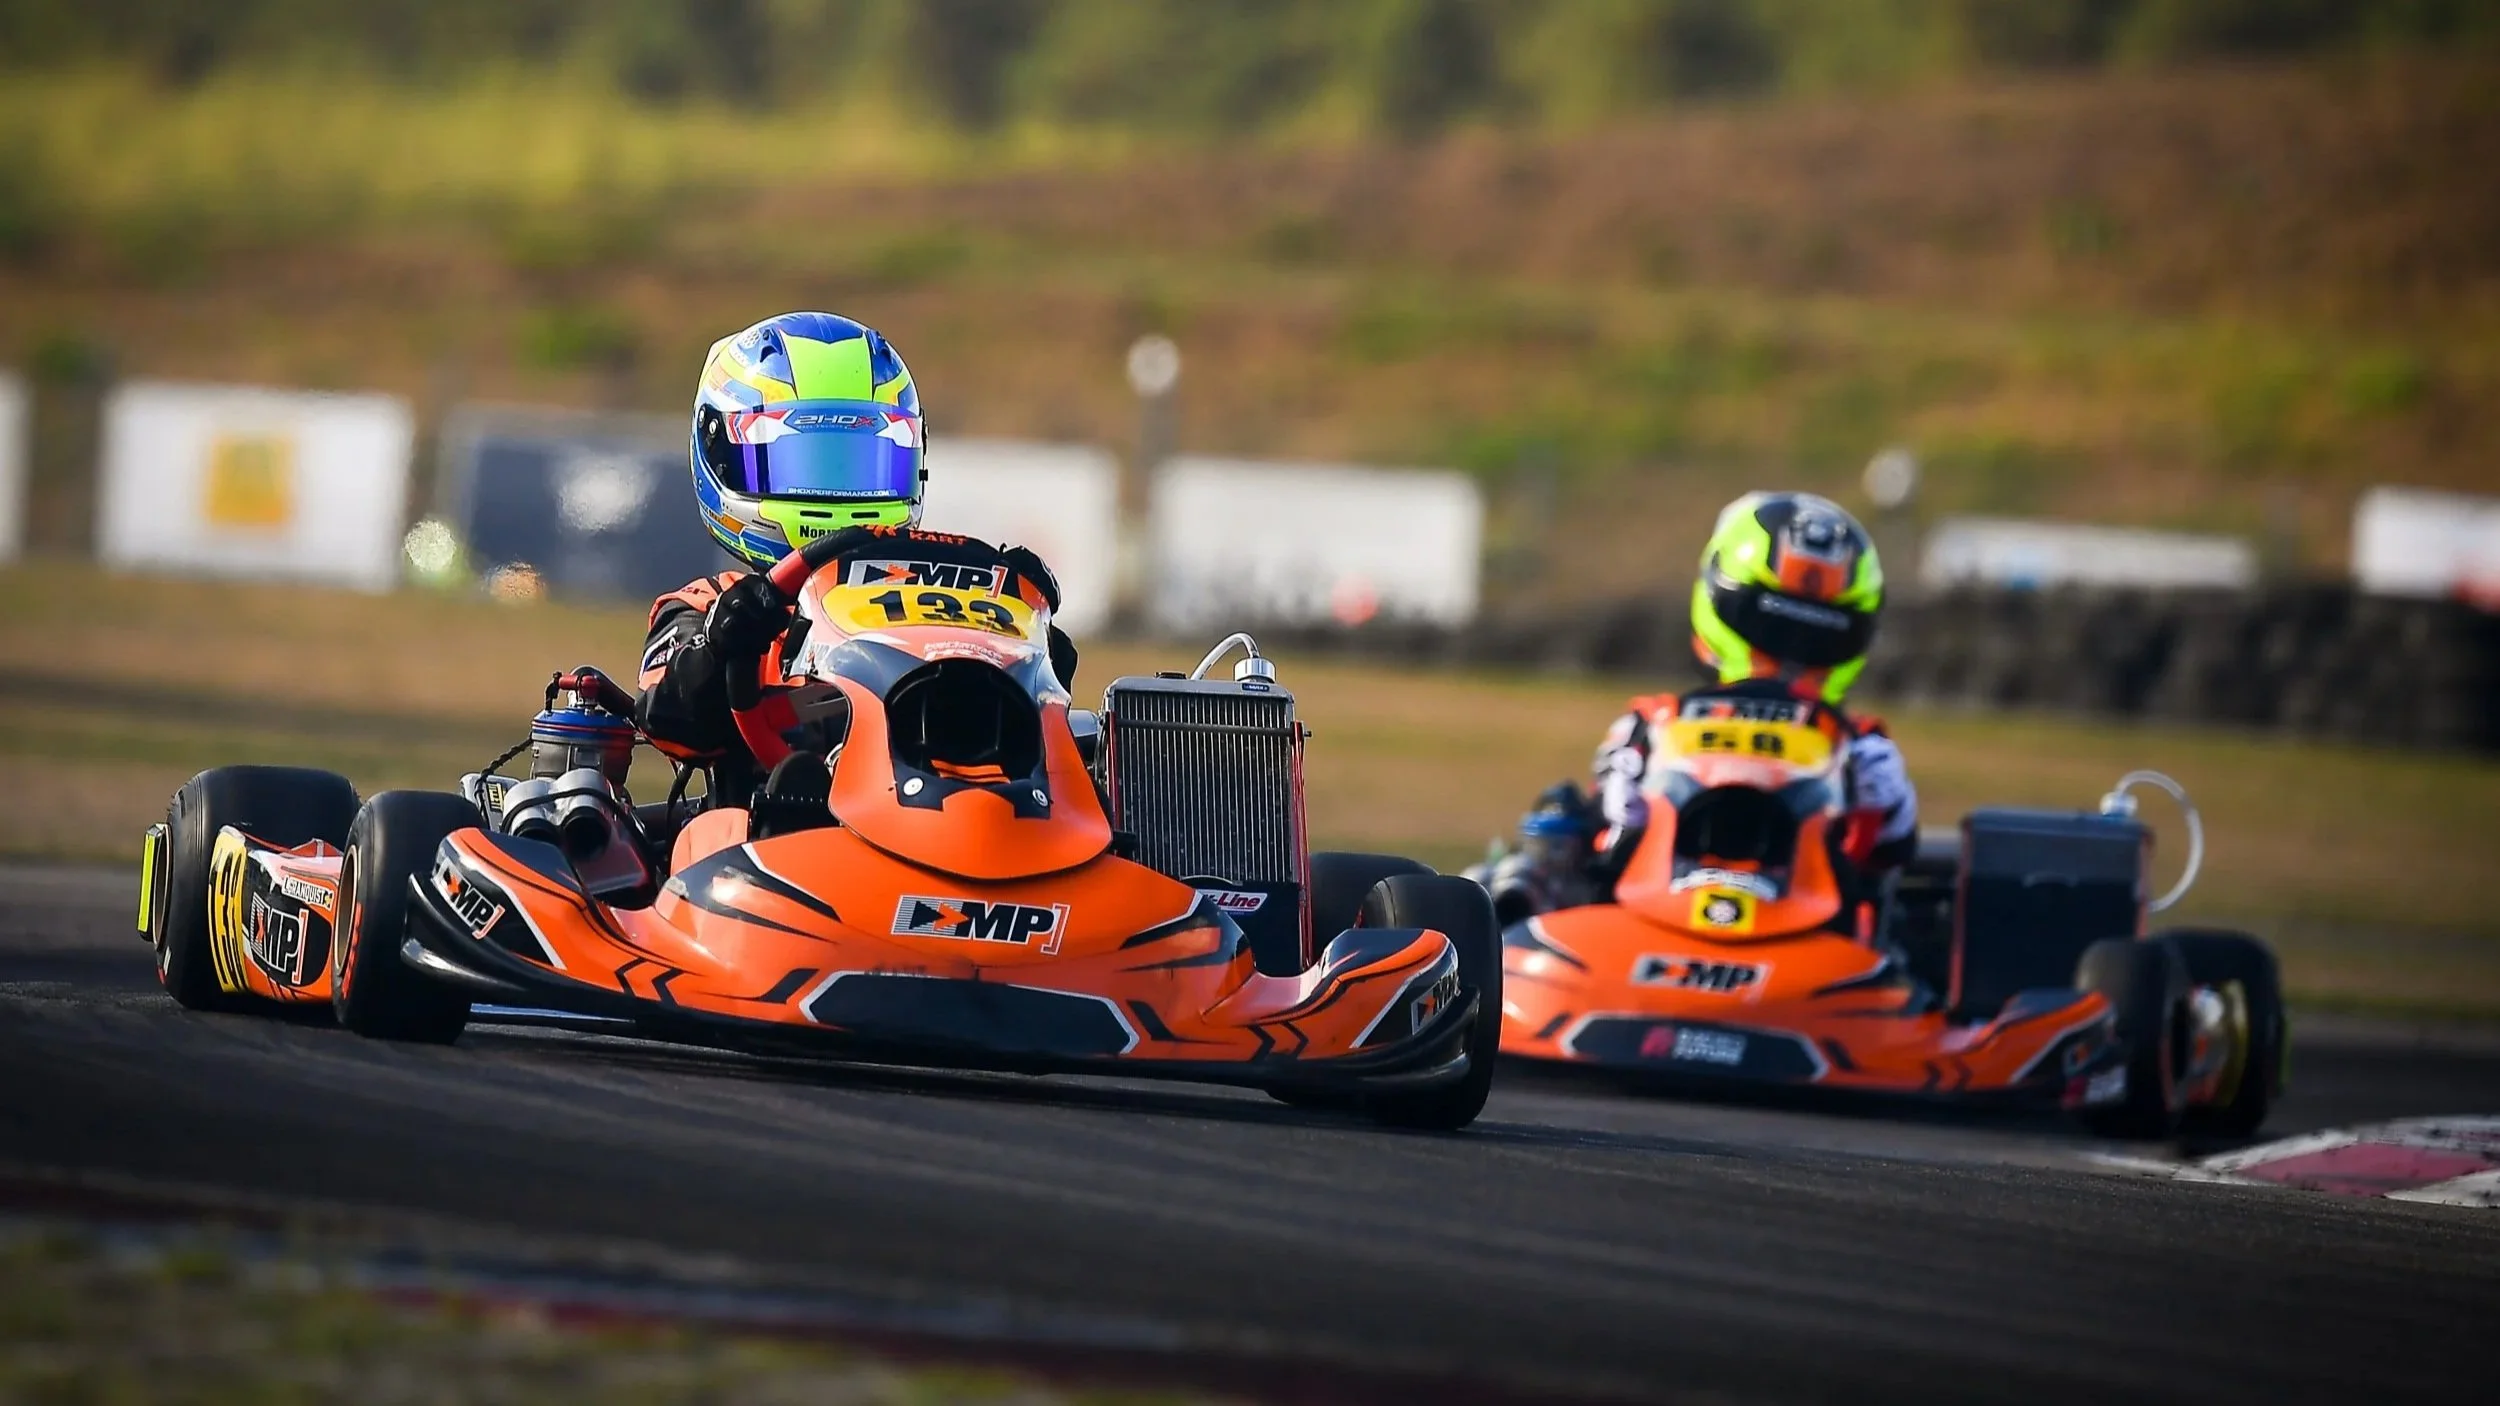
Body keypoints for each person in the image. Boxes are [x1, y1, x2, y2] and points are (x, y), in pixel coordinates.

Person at [635, 311, 1076, 801]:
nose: (836, 492)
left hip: (955, 825)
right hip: (779, 839)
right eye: (805, 461)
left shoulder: (938, 592)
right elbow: (670, 718)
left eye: (862, 463)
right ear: (720, 454)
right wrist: (723, 647)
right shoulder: (710, 605)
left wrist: (1031, 633)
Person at [1585, 491, 1917, 901]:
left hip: (1814, 933)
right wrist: (1620, 804)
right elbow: (1598, 835)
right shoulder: (1653, 724)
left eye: (1816, 638)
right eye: (1773, 627)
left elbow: (1891, 851)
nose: (1791, 655)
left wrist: (1886, 808)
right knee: (1552, 822)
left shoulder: (1861, 745)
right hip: (1645, 916)